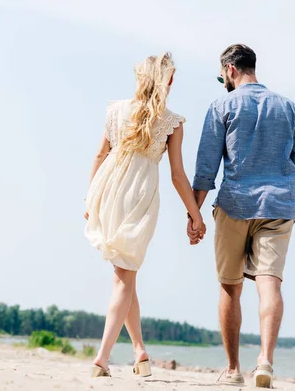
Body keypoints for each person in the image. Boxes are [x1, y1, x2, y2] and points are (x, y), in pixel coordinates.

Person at [188, 44, 295, 388]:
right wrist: (281, 185)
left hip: (235, 204)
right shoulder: (289, 107)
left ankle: (232, 369)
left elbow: (205, 170)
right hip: (279, 205)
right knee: (270, 283)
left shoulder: (221, 106)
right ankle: (265, 361)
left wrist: (194, 215)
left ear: (229, 70)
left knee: (230, 287)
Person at [85, 52, 206, 378]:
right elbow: (178, 175)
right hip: (139, 194)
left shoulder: (115, 110)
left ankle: (139, 352)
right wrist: (196, 215)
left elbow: (100, 154)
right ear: (168, 80)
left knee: (126, 273)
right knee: (124, 276)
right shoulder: (172, 121)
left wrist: (89, 199)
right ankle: (102, 358)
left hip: (109, 189)